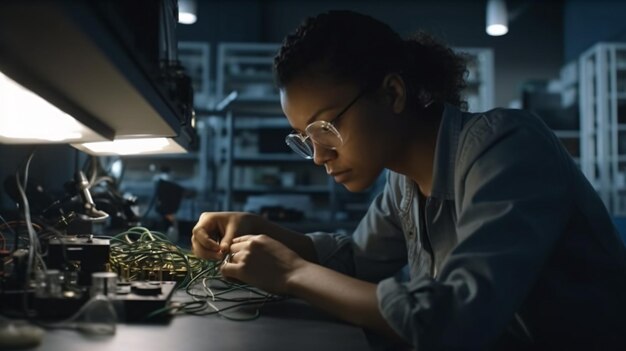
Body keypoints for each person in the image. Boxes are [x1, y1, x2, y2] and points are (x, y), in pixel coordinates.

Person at [192, 10, 626, 350]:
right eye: (305, 139)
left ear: (393, 93)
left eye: (326, 128)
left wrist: (291, 273)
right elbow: (357, 263)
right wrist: (257, 228)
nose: (320, 156)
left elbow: (455, 321)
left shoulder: (508, 147)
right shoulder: (403, 179)